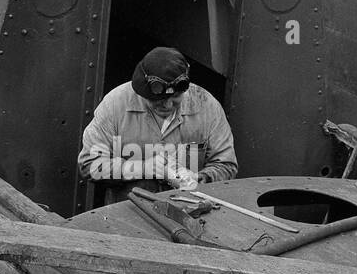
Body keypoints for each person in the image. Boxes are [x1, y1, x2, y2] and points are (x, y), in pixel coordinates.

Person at [78, 47, 238, 202]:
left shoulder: (206, 105)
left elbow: (226, 164)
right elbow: (89, 165)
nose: (168, 105)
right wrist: (142, 169)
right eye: (158, 100)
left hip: (190, 211)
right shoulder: (115, 105)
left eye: (175, 97)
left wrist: (200, 179)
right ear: (142, 93)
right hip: (129, 215)